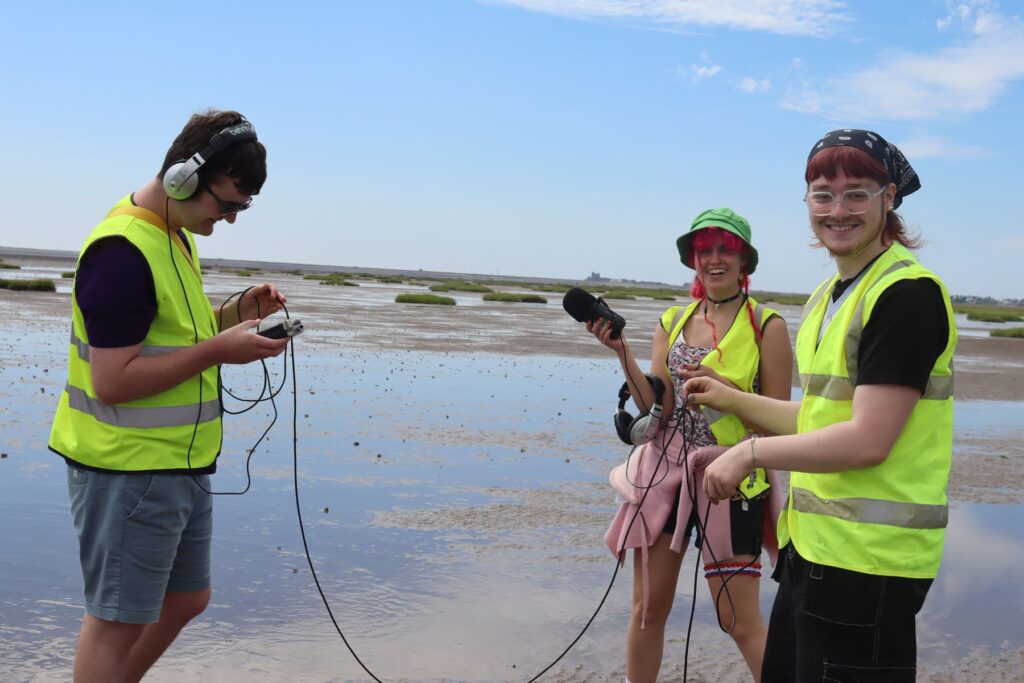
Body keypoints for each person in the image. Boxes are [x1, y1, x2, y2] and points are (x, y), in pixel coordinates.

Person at [688, 130, 955, 682]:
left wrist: (750, 454)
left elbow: (867, 439)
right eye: (822, 194)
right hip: (813, 553)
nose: (838, 210)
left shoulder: (905, 295)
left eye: (857, 193)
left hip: (869, 566)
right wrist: (732, 398)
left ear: (890, 198)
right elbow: (819, 418)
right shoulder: (829, 296)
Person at [48, 109, 290, 682]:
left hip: (176, 465)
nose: (230, 220)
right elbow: (112, 382)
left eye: (241, 209)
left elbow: (169, 330)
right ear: (183, 178)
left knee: (187, 599)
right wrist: (217, 352)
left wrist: (236, 314)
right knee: (115, 622)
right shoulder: (122, 252)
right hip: (126, 470)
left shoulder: (172, 236)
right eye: (227, 204)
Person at [588, 208, 793, 683]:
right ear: (693, 260)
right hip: (666, 474)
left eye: (725, 249)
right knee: (647, 610)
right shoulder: (674, 319)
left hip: (733, 478)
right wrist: (623, 354)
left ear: (745, 261)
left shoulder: (769, 326)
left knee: (738, 621)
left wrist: (729, 393)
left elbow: (782, 425)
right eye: (705, 251)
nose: (715, 259)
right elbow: (653, 404)